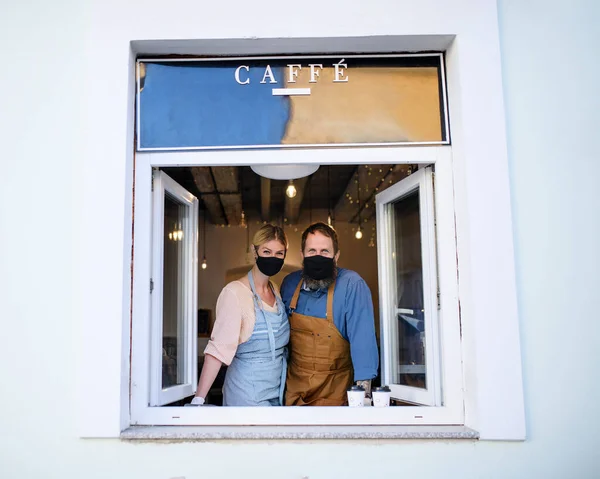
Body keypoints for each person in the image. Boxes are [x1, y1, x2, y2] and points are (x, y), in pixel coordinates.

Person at [190, 224, 290, 406]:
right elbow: (218, 349)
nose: (273, 258)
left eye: (279, 254)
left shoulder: (275, 290)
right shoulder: (234, 293)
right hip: (246, 394)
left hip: (277, 392)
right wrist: (199, 398)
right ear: (254, 251)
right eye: (266, 252)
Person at [281, 222, 379, 406]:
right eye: (312, 251)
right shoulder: (289, 285)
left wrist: (363, 401)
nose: (318, 256)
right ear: (302, 255)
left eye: (325, 251)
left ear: (336, 256)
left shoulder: (352, 286)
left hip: (336, 396)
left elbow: (363, 344)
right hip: (294, 396)